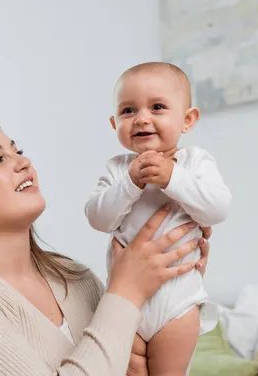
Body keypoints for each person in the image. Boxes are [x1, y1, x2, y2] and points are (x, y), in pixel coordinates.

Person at [0, 115, 212, 376]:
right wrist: (128, 289)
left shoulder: (75, 278)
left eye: (17, 151)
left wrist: (172, 284)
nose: (23, 162)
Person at [85, 62, 231, 375]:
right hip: (126, 304)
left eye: (158, 107)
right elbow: (98, 218)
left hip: (177, 302)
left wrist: (172, 178)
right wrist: (130, 184)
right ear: (114, 123)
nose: (141, 118)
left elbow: (217, 209)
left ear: (187, 119)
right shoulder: (117, 169)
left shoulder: (195, 163)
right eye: (128, 111)